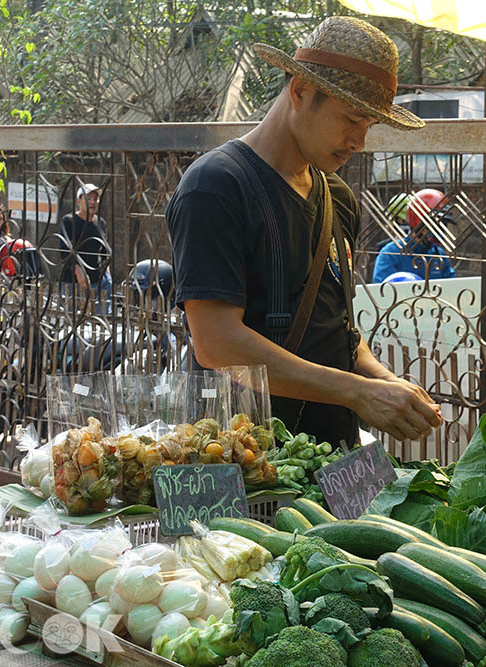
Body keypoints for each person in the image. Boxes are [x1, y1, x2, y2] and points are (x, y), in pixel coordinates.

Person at [165, 16, 442, 447]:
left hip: (330, 457)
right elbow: (216, 344)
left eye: (369, 126)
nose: (359, 142)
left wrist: (387, 385)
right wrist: (357, 391)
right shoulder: (215, 187)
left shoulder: (338, 197)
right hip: (237, 460)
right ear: (299, 92)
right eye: (351, 119)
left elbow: (338, 331)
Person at [372, 189, 457, 283]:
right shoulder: (391, 254)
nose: (440, 231)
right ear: (418, 223)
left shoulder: (438, 255)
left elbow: (451, 287)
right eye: (435, 225)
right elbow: (380, 292)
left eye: (444, 225)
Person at [60, 183, 112, 312]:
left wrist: (107, 275)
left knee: (98, 323)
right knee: (72, 320)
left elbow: (105, 252)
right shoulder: (69, 221)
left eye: (95, 199)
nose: (92, 202)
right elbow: (65, 251)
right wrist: (78, 271)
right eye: (88, 199)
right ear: (79, 201)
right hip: (74, 282)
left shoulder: (100, 222)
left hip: (98, 281)